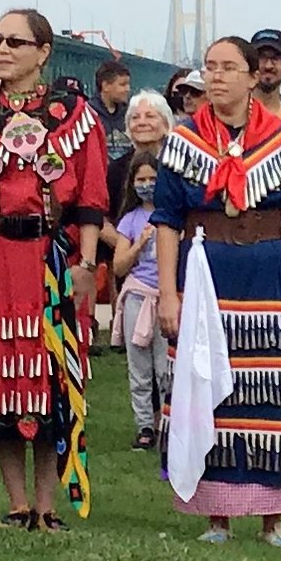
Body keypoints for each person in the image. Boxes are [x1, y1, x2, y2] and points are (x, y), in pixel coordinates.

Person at [0, 10, 108, 530]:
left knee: (49, 374)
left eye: (16, 41)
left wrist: (84, 263)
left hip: (50, 256)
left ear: (43, 51)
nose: (3, 49)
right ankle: (16, 505)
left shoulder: (74, 113)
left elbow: (89, 195)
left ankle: (46, 506)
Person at [155, 35, 281, 545]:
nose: (218, 76)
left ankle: (274, 516)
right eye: (210, 67)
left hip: (268, 269)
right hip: (207, 270)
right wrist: (168, 292)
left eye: (229, 67)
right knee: (208, 382)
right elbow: (166, 219)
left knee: (270, 384)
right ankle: (216, 515)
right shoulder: (183, 141)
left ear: (253, 77)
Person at [108, 151, 168, 448]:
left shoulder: (172, 215)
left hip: (166, 298)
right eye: (141, 179)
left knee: (166, 366)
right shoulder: (130, 220)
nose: (147, 185)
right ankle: (145, 426)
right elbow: (119, 265)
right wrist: (139, 244)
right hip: (137, 296)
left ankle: (170, 423)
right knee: (139, 367)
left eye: (153, 179)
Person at [108, 91, 173, 209]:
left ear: (166, 125)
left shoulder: (178, 164)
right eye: (135, 118)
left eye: (150, 116)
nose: (141, 123)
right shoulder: (116, 170)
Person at [92, 59, 131, 137]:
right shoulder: (88, 114)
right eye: (123, 84)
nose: (128, 89)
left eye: (128, 84)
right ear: (106, 86)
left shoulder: (130, 114)